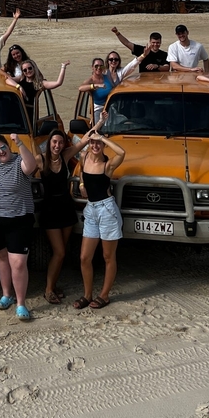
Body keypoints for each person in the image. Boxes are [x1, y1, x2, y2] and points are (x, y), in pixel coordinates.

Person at [0, 133, 38, 321]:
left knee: (19, 262)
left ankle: (21, 303)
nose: (0, 152)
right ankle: (7, 295)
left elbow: (31, 166)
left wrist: (19, 143)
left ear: (8, 146)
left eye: (3, 148)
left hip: (19, 219)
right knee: (2, 257)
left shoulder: (19, 160)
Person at [73, 128, 126, 310]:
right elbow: (81, 172)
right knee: (84, 257)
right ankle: (87, 294)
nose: (95, 145)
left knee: (108, 256)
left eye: (98, 143)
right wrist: (81, 184)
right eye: (92, 142)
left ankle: (104, 295)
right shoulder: (84, 157)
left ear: (103, 145)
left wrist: (102, 137)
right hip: (91, 210)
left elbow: (122, 153)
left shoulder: (107, 165)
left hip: (107, 210)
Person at [36, 129, 79, 305]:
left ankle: (52, 286)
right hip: (49, 210)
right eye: (54, 142)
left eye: (60, 142)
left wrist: (99, 124)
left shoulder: (66, 155)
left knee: (61, 251)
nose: (57, 145)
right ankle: (47, 290)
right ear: (49, 142)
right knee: (59, 252)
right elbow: (24, 168)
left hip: (66, 208)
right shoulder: (40, 159)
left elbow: (84, 143)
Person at [5, 59, 69, 125]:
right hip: (17, 110)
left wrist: (63, 67)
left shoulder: (40, 83)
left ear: (34, 68)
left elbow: (58, 83)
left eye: (30, 68)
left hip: (29, 112)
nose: (28, 71)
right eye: (25, 70)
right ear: (23, 72)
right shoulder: (21, 78)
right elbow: (7, 80)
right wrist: (19, 87)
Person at [78, 57, 112, 125]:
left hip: (111, 107)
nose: (99, 68)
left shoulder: (107, 77)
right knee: (97, 129)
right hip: (99, 109)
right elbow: (80, 88)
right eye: (96, 66)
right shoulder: (90, 80)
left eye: (101, 66)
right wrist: (94, 86)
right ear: (92, 67)